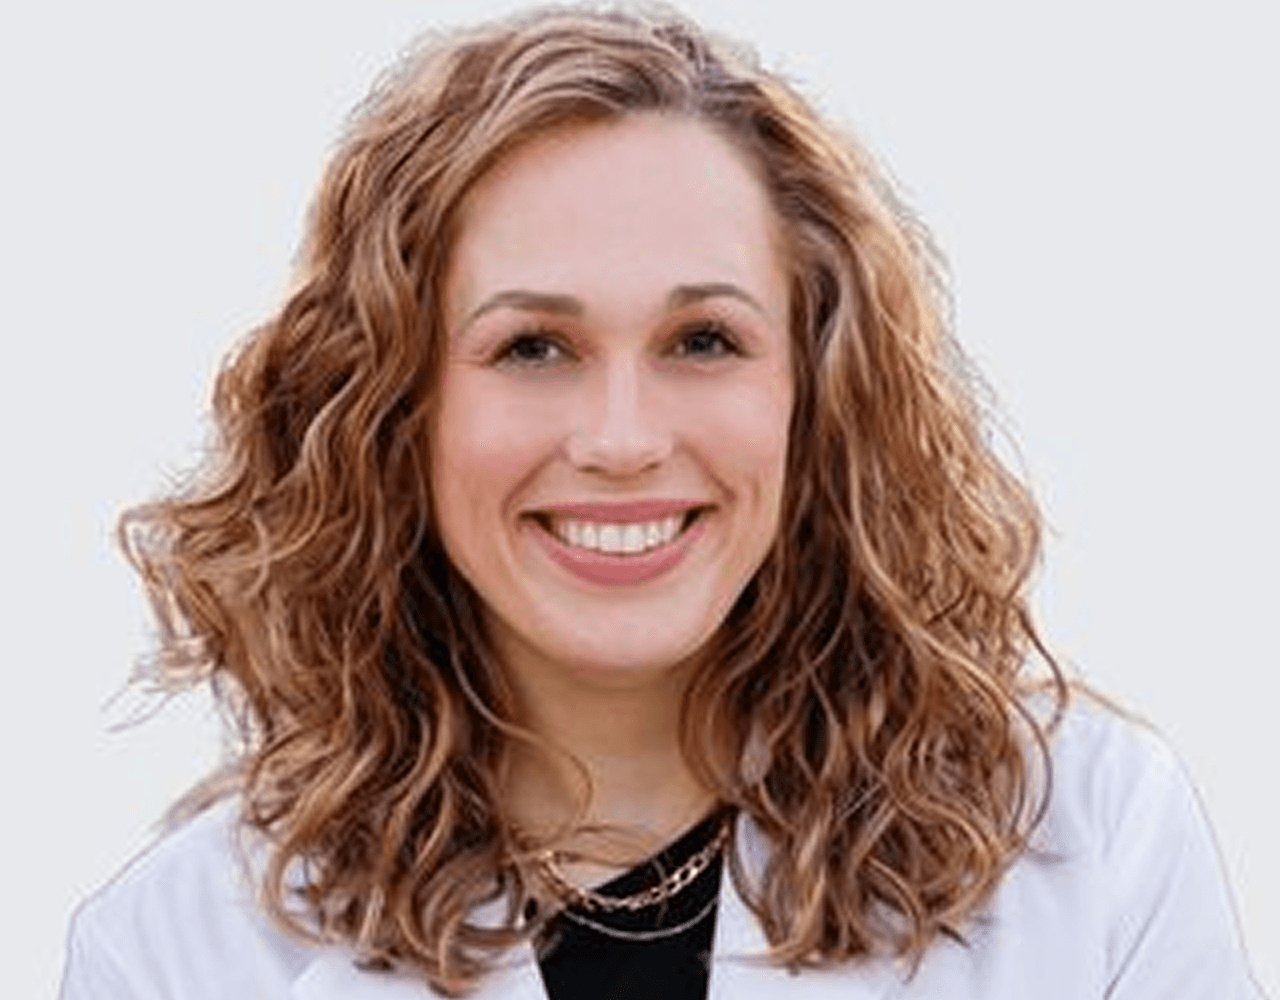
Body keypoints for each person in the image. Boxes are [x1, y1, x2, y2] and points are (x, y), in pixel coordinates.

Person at [60, 5, 1263, 998]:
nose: (623, 440)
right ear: (395, 410)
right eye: (532, 347)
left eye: (702, 338)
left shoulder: (1096, 850)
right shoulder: (175, 952)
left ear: (815, 394)